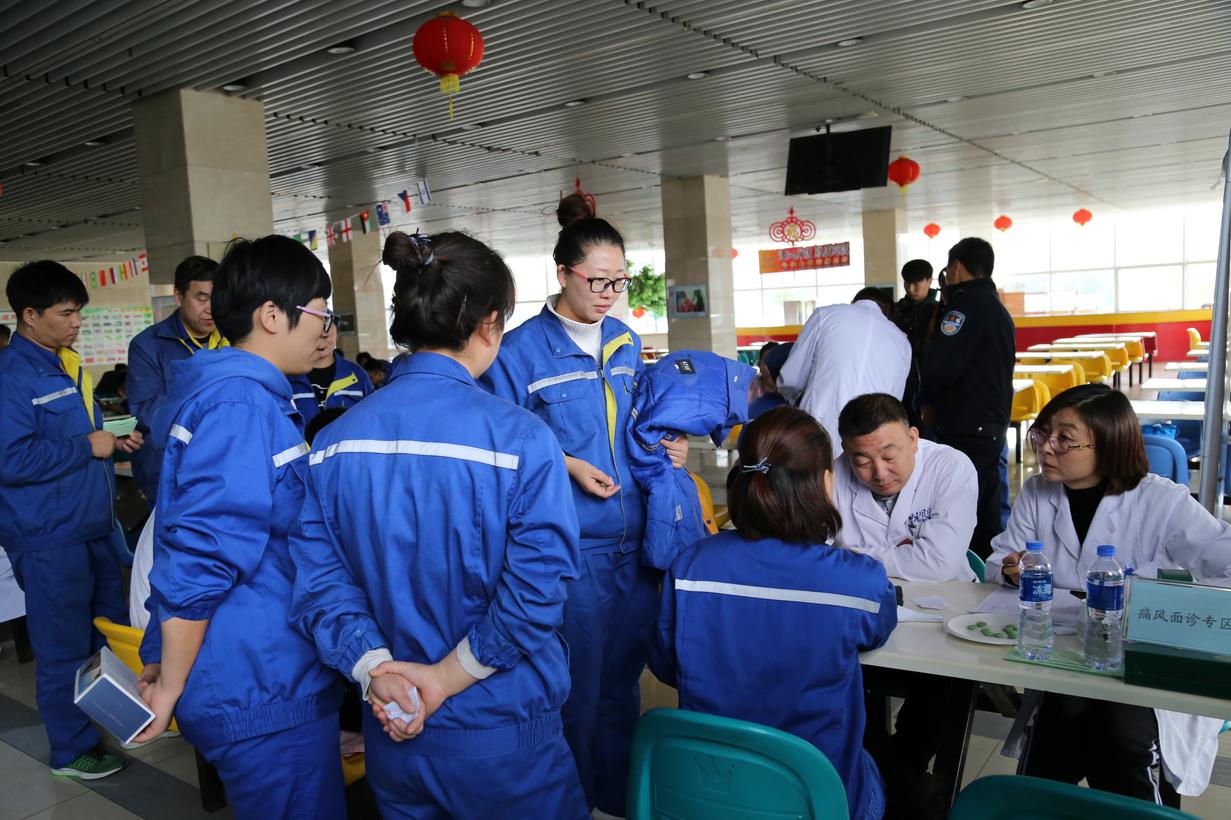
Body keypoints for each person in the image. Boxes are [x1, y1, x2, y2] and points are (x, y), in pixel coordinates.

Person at [290, 230, 588, 819]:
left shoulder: (332, 443)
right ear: (490, 324)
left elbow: (320, 584)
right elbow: (537, 593)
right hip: (502, 735)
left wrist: (376, 671)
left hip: (394, 727)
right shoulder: (522, 439)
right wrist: (444, 680)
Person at [481, 193, 686, 815]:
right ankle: (574, 803)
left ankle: (616, 799)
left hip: (636, 539)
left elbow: (639, 422)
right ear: (563, 273)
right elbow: (500, 447)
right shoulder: (518, 352)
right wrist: (566, 463)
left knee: (623, 685)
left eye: (619, 281)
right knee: (575, 689)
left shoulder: (624, 339)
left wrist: (668, 443)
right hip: (573, 550)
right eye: (597, 280)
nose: (609, 294)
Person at [134, 236, 345, 818]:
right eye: (320, 312)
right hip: (260, 682)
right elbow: (203, 555)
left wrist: (162, 655)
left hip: (248, 668)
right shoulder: (241, 405)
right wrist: (169, 684)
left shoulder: (230, 395)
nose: (325, 328)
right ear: (272, 315)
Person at [650, 406, 897, 820]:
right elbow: (878, 629)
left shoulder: (691, 566)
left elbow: (665, 665)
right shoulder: (860, 581)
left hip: (707, 793)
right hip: (813, 799)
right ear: (824, 482)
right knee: (873, 767)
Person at [988, 384, 1231, 804]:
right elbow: (998, 560)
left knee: (1121, 734)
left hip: (1143, 664)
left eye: (1064, 439)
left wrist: (1164, 599)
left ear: (1109, 445)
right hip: (1066, 658)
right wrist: (1012, 572)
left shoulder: (1162, 501)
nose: (1046, 447)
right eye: (1043, 433)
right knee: (1056, 728)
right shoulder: (1037, 492)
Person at [0, 261, 143, 779]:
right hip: (49, 537)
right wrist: (87, 446)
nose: (77, 321)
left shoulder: (64, 364)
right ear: (29, 315)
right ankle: (71, 749)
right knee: (63, 648)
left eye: (79, 311)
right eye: (65, 313)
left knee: (106, 635)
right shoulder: (12, 377)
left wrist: (113, 440)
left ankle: (122, 718)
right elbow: (10, 459)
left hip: (92, 526)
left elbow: (76, 435)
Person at [920, 238, 1014, 559]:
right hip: (991, 421)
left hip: (966, 422)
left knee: (962, 503)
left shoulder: (964, 308)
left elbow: (939, 367)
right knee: (985, 501)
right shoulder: (995, 306)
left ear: (957, 267)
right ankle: (986, 564)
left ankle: (965, 565)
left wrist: (926, 399)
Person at [833, 393, 977, 582]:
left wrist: (844, 558)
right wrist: (911, 556)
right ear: (846, 451)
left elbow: (940, 564)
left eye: (889, 457)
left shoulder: (951, 467)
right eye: (863, 462)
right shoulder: (831, 477)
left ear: (912, 439)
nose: (880, 473)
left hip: (951, 594)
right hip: (863, 595)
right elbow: (809, 556)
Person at [127, 255, 223, 502]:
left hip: (224, 464)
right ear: (179, 297)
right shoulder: (148, 345)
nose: (211, 308)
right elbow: (149, 410)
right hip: (171, 472)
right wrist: (216, 415)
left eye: (217, 297)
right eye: (201, 298)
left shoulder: (232, 338)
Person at [777, 288, 911, 456]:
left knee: (815, 471)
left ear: (853, 302)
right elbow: (892, 404)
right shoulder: (902, 342)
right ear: (888, 315)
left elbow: (791, 379)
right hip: (870, 442)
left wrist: (790, 398)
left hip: (818, 430)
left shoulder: (825, 315)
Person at [289, 321, 373, 427]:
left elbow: (371, 417)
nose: (321, 342)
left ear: (336, 333)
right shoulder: (290, 375)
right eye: (314, 336)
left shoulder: (357, 375)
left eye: (326, 336)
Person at [892, 259, 938, 340]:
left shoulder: (938, 311)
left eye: (916, 284)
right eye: (907, 283)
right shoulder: (894, 309)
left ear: (930, 281)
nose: (911, 289)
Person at [748, 341, 791, 419]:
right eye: (767, 361)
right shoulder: (749, 389)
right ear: (759, 365)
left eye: (777, 361)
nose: (771, 365)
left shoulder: (794, 399)